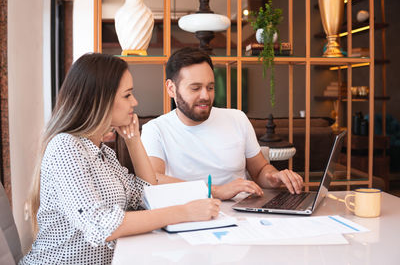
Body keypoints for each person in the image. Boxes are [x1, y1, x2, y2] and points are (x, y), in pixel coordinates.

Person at [20, 53, 220, 265]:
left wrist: (133, 142)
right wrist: (183, 212)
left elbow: (145, 197)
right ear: (100, 100)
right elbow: (102, 224)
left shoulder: (104, 153)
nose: (135, 101)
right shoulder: (65, 147)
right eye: (127, 95)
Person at [141, 47, 304, 200]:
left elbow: (260, 170)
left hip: (245, 214)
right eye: (195, 88)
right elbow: (154, 179)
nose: (205, 96)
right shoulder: (155, 129)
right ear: (171, 88)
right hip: (189, 216)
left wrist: (274, 177)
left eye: (210, 87)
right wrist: (217, 191)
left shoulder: (237, 119)